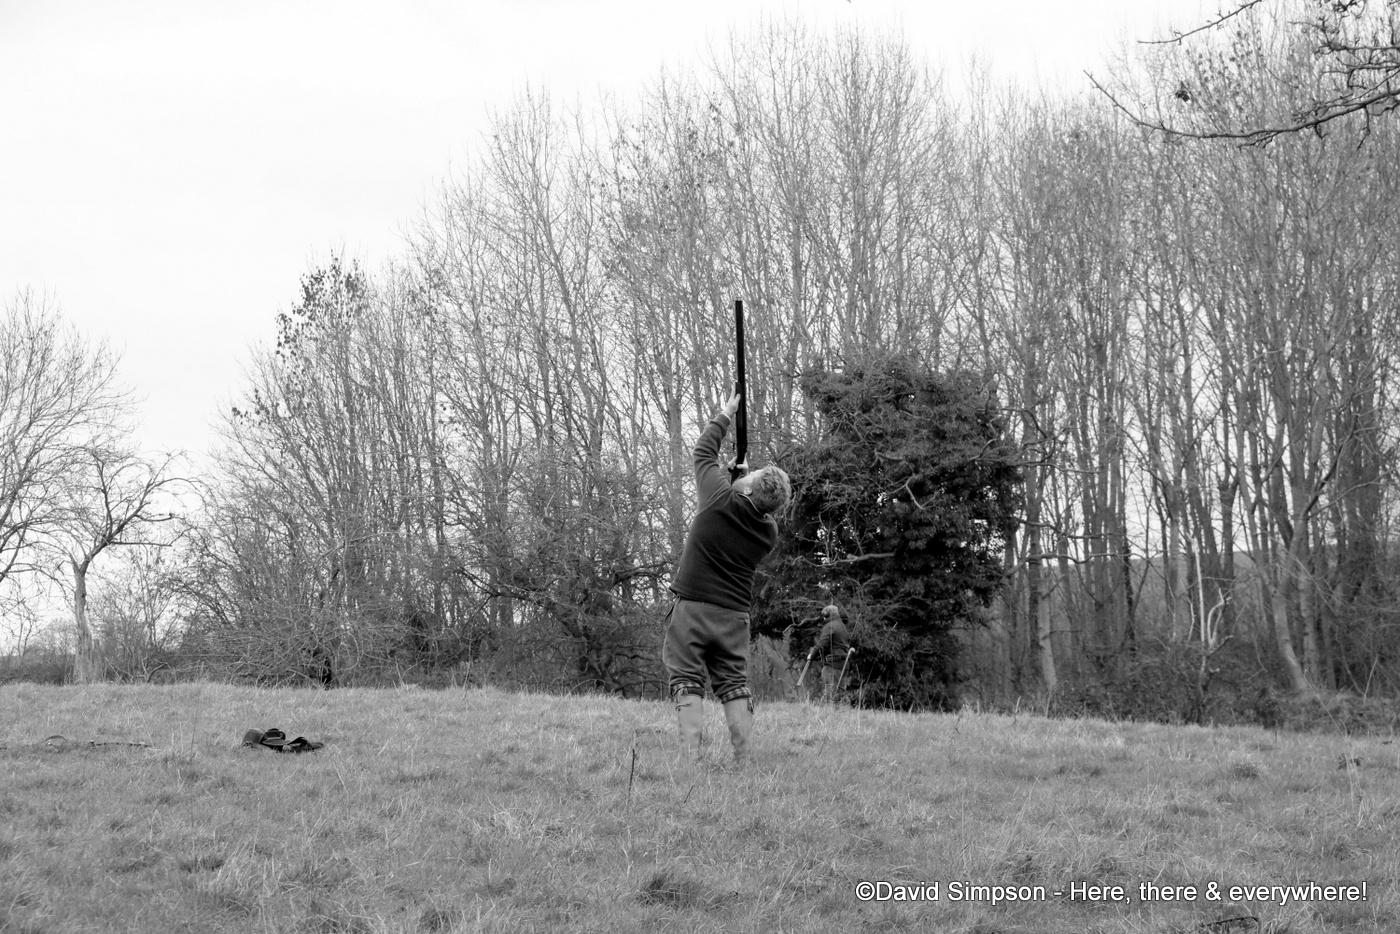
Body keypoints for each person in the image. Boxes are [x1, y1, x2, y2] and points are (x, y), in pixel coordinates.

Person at [663, 391, 791, 765]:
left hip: (692, 610)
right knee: (734, 684)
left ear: (748, 488)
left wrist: (725, 414)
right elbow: (745, 510)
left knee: (687, 680)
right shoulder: (768, 532)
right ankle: (744, 760)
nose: (747, 474)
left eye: (751, 475)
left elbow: (703, 453)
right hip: (734, 618)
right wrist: (739, 477)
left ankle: (690, 761)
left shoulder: (718, 498)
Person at [810, 604, 852, 702]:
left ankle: (828, 710)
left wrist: (811, 656)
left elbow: (822, 643)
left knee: (828, 694)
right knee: (840, 696)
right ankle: (841, 710)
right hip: (844, 665)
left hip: (832, 665)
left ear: (826, 614)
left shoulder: (829, 626)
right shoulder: (843, 626)